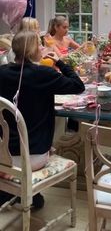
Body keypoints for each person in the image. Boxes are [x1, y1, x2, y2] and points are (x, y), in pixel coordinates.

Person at [0, 30, 85, 207]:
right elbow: (78, 85)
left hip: (3, 154)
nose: (42, 47)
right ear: (34, 51)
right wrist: (60, 62)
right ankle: (27, 192)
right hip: (32, 156)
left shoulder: (2, 72)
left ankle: (16, 192)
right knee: (42, 141)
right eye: (39, 45)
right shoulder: (43, 74)